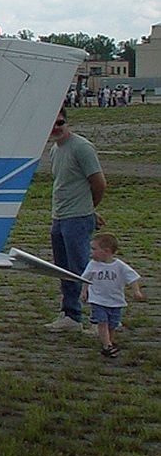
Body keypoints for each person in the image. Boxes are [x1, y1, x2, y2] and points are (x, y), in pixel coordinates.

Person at [45, 108, 105, 331]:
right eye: (52, 124)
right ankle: (71, 315)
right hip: (60, 217)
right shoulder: (55, 150)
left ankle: (99, 319)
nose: (56, 128)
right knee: (64, 269)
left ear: (66, 122)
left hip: (76, 219)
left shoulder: (81, 148)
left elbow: (99, 183)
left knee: (82, 269)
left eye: (60, 123)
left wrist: (88, 210)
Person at [79, 232, 144, 359]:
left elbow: (132, 277)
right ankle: (107, 345)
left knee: (112, 324)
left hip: (115, 300)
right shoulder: (92, 264)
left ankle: (109, 342)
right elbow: (86, 279)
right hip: (98, 300)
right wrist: (84, 292)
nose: (91, 252)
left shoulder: (119, 265)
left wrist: (136, 291)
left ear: (106, 251)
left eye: (94, 249)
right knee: (102, 322)